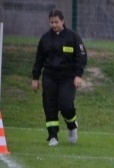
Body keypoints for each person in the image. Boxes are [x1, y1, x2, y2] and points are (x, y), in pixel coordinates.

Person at [31, 9, 87, 147]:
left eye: (56, 22)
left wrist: (78, 75)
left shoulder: (73, 37)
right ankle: (53, 136)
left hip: (67, 77)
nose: (54, 25)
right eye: (51, 22)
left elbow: (81, 57)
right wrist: (35, 78)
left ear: (63, 21)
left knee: (66, 105)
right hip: (50, 77)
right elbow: (39, 59)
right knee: (50, 107)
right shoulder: (45, 39)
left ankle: (72, 126)